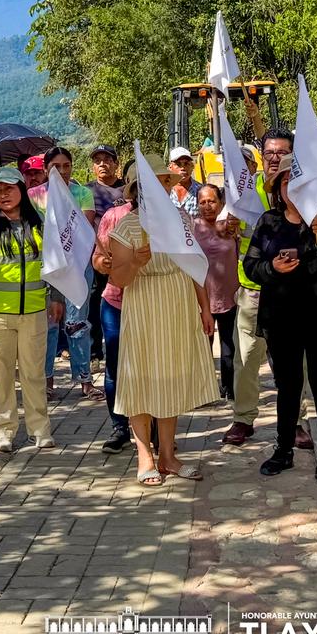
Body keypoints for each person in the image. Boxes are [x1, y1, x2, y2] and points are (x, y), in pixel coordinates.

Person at [244, 155, 317, 479]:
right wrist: (272, 268)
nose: (293, 187)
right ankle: (283, 449)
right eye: (285, 182)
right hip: (282, 317)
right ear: (279, 189)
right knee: (288, 386)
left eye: (300, 181)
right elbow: (251, 266)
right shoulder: (269, 222)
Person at [107, 155, 216, 486]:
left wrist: (205, 307)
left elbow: (194, 264)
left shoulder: (180, 219)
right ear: (139, 190)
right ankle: (145, 455)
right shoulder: (127, 225)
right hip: (144, 305)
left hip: (177, 302)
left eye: (164, 183)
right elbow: (118, 278)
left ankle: (168, 455)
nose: (160, 188)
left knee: (169, 378)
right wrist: (136, 263)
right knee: (141, 378)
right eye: (153, 183)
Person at [221, 128, 314, 451]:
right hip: (254, 290)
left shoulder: (302, 190)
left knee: (294, 362)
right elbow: (224, 225)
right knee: (246, 360)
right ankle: (243, 419)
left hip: (293, 293)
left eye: (282, 152)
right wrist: (226, 226)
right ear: (262, 155)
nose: (275, 158)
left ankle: (298, 421)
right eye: (270, 152)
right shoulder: (246, 190)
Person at [0, 166, 60, 452]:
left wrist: (58, 298)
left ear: (21, 191)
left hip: (34, 311)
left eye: (9, 189)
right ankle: (3, 434)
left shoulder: (40, 225)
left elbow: (54, 264)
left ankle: (40, 431)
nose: (3, 195)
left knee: (34, 374)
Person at [28, 146, 99, 397]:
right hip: (47, 268)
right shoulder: (34, 195)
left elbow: (85, 225)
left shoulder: (82, 193)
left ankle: (85, 380)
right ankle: (46, 381)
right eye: (55, 166)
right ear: (46, 169)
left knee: (77, 323)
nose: (61, 171)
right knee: (48, 324)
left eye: (66, 165)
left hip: (78, 265)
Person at [93, 194, 134, 454]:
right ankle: (120, 427)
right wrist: (102, 263)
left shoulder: (170, 215)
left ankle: (154, 428)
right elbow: (97, 257)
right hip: (116, 302)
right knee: (115, 368)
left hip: (152, 303)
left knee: (150, 368)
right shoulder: (114, 216)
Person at [193, 184, 240, 401]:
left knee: (229, 346)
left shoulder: (231, 227)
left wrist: (235, 230)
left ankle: (229, 387)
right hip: (201, 299)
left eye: (211, 201)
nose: (207, 206)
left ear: (220, 202)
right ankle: (204, 390)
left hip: (229, 295)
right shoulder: (192, 229)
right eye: (202, 202)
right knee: (203, 347)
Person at [87, 144, 126, 361]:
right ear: (93, 166)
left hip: (125, 259)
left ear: (116, 163)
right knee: (95, 302)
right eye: (98, 160)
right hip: (97, 257)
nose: (103, 163)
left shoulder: (127, 190)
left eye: (107, 159)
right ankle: (94, 353)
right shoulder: (86, 191)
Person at [168, 146, 202, 217]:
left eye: (186, 164)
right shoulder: (163, 191)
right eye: (178, 164)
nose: (183, 168)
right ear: (170, 167)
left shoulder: (202, 191)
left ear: (192, 167)